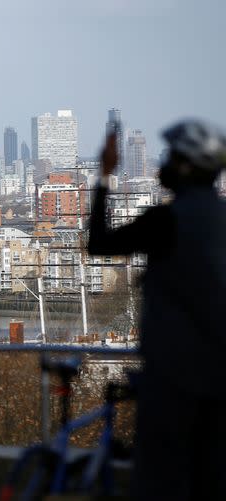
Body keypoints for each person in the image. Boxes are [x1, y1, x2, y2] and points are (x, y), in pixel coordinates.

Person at [88, 120, 226, 499]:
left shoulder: (167, 220)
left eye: (171, 157)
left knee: (161, 479)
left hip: (173, 377)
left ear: (185, 166)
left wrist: (104, 176)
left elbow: (99, 243)